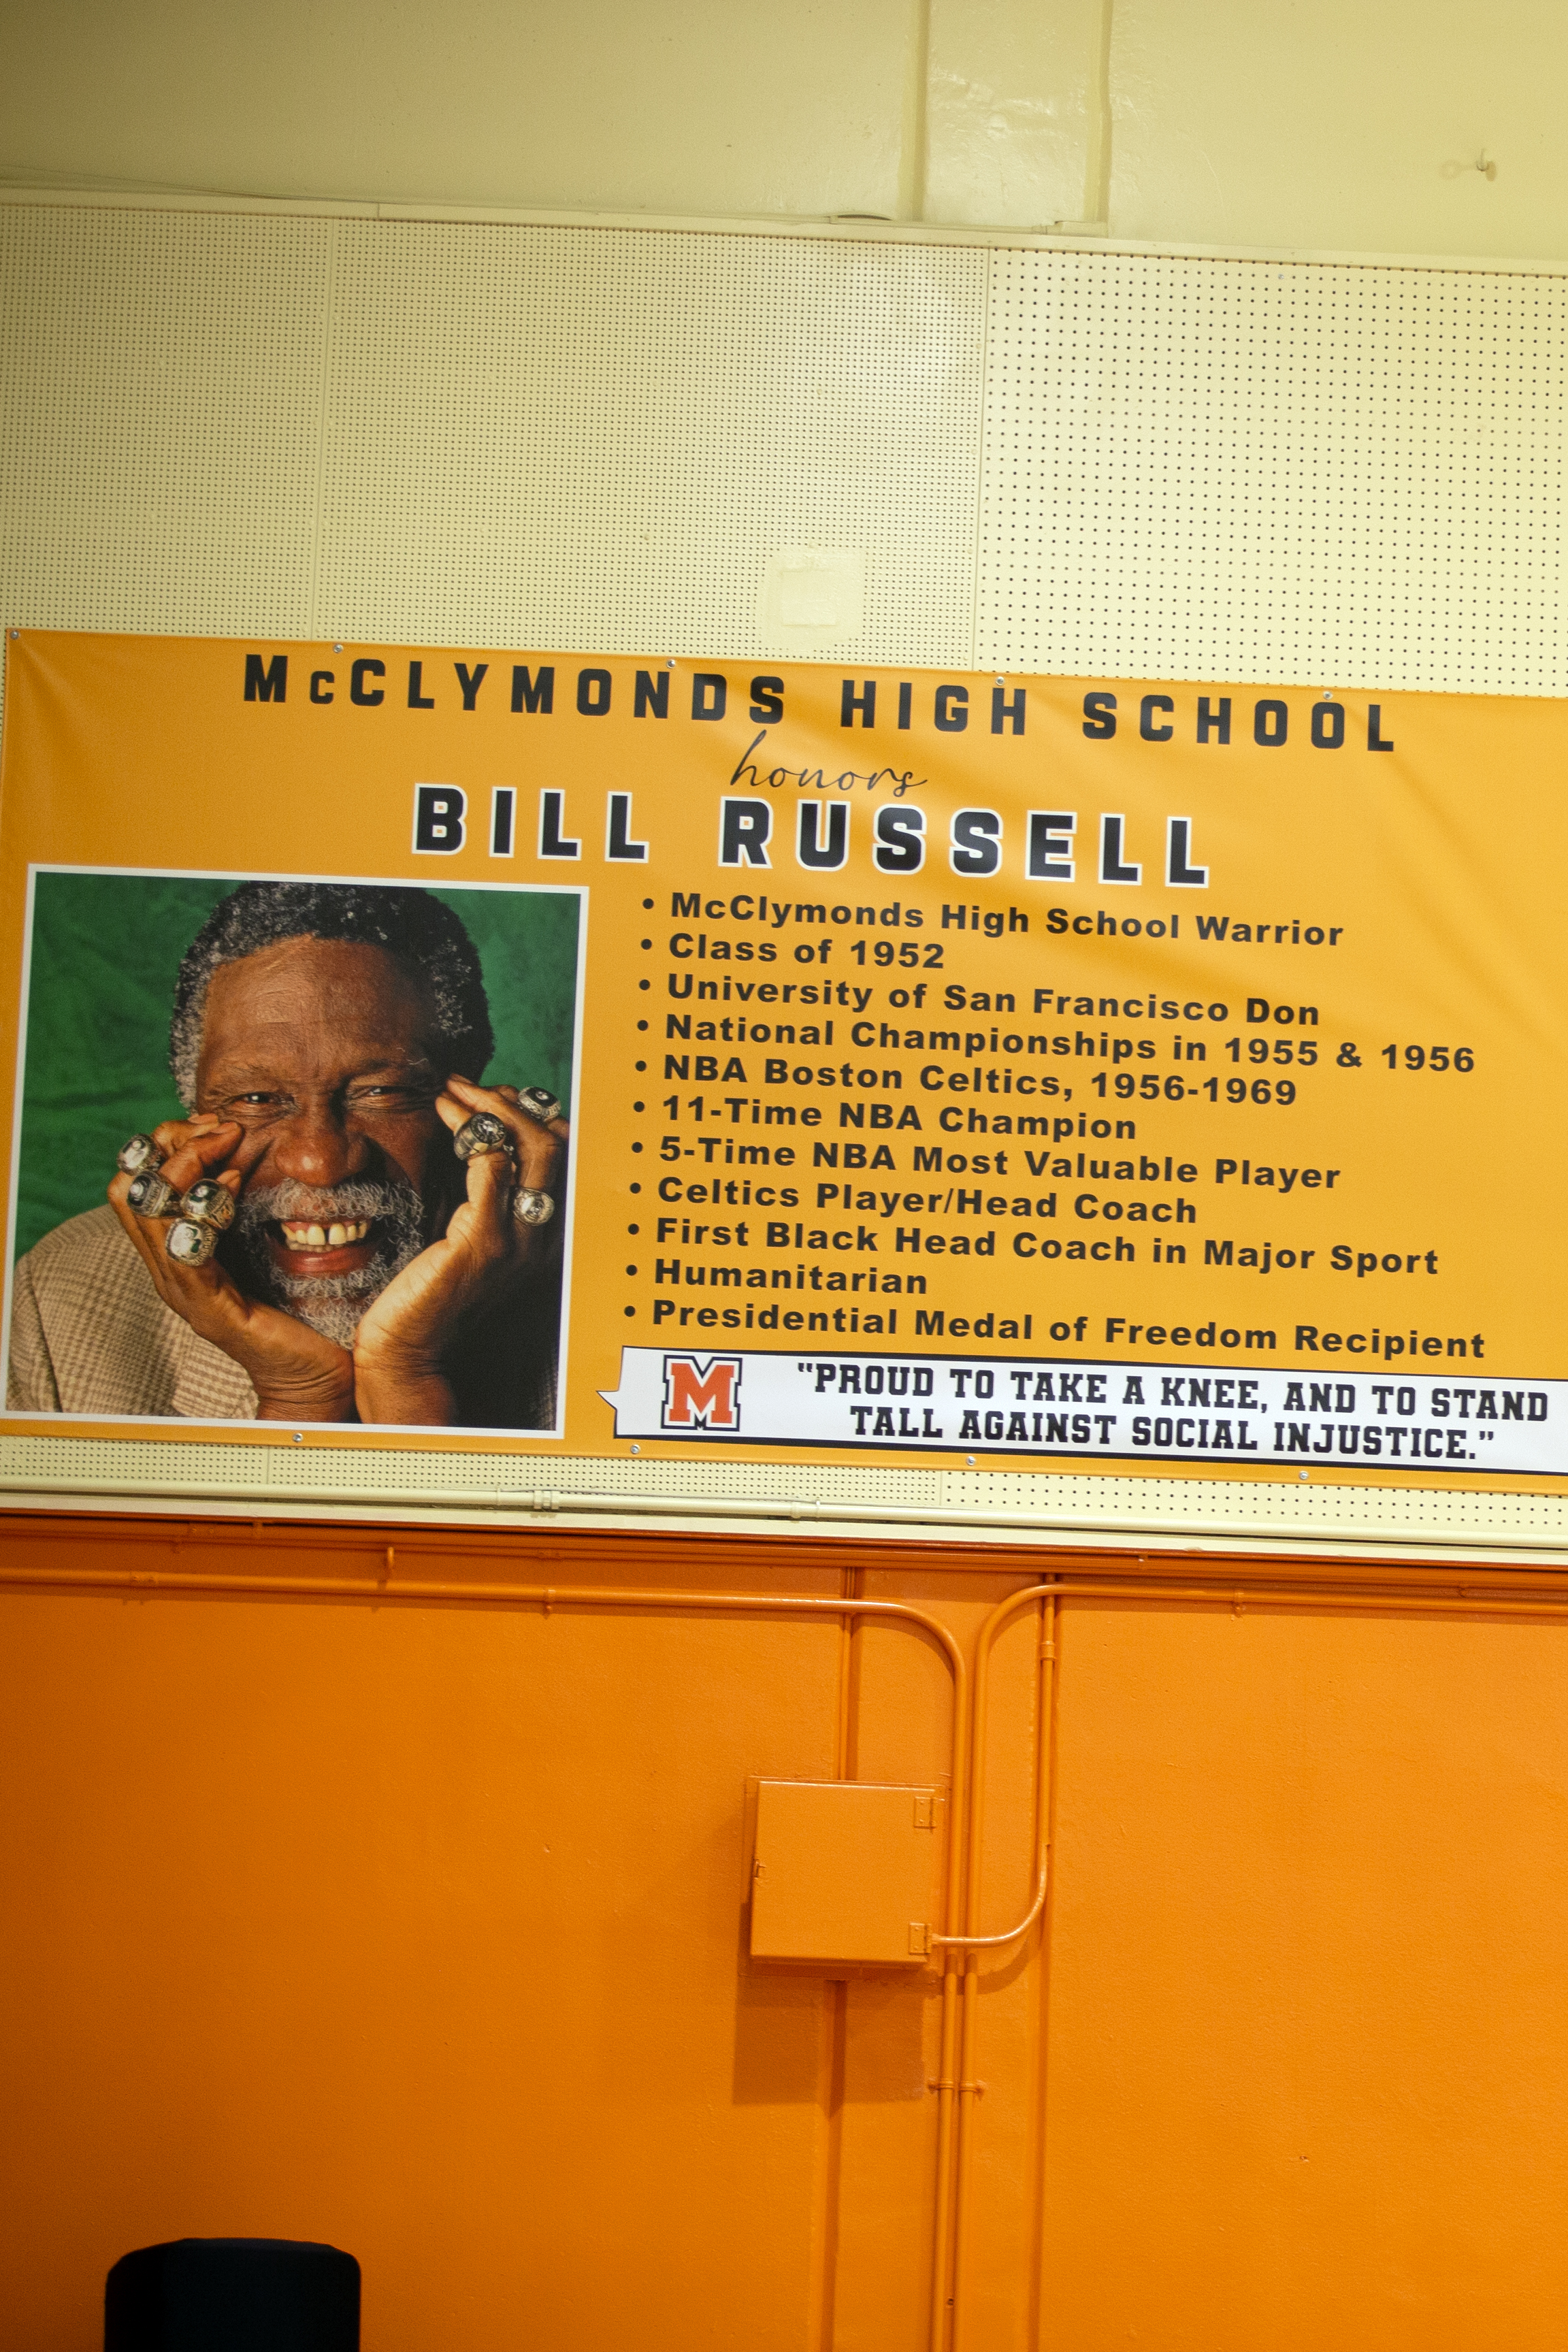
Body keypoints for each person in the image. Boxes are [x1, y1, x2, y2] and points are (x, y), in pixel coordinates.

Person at [7, 881, 568, 1428]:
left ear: (476, 1104)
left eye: (382, 1092)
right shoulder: (60, 1303)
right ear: (191, 1119)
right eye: (256, 1099)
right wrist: (299, 1399)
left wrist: (408, 1381)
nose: (319, 1164)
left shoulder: (601, 1297)